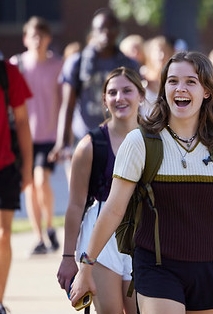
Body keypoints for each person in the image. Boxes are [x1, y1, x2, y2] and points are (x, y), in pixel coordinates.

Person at [68, 51, 213, 313]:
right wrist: (86, 266)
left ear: (206, 91)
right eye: (172, 81)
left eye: (190, 82)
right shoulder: (139, 142)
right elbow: (114, 209)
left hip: (209, 265)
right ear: (163, 89)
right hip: (156, 266)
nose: (180, 89)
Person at [57, 67, 142, 314]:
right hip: (101, 241)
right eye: (112, 93)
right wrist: (66, 257)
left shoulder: (155, 139)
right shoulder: (90, 145)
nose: (120, 98)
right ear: (104, 100)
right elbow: (75, 205)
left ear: (141, 95)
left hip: (143, 236)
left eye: (127, 90)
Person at [48, 8, 140, 164]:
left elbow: (138, 104)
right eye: (101, 28)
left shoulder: (129, 64)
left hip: (120, 138)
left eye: (111, 28)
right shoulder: (77, 62)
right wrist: (61, 143)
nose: (106, 32)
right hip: (84, 137)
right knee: (82, 186)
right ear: (93, 32)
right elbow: (67, 106)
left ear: (118, 32)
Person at [9, 16, 63, 255]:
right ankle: (39, 236)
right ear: (25, 39)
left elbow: (64, 101)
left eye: (41, 36)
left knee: (41, 180)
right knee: (29, 185)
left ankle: (50, 225)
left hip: (49, 134)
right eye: (33, 36)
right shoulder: (17, 64)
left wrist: (65, 134)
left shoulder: (57, 65)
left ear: (48, 38)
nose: (38, 40)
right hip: (24, 135)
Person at [0, 55, 33, 314]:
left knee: (3, 235)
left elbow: (22, 121)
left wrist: (28, 167)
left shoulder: (6, 72)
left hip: (5, 165)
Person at [139, 35, 175, 117]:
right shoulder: (141, 75)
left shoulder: (174, 79)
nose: (161, 56)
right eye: (158, 51)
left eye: (165, 51)